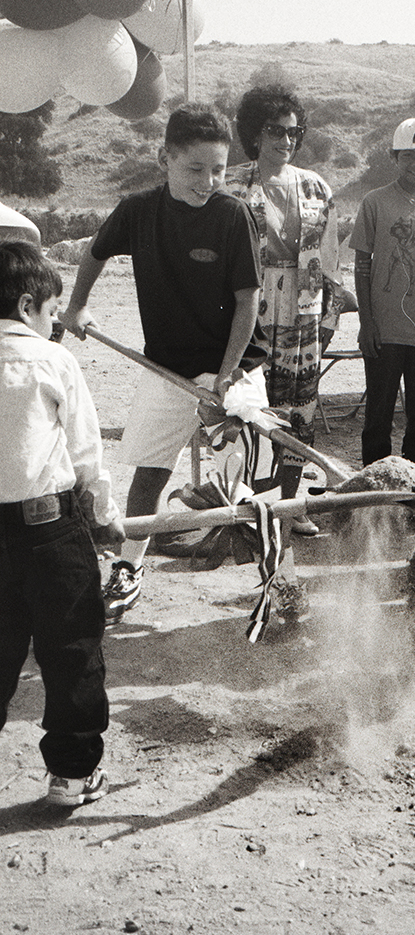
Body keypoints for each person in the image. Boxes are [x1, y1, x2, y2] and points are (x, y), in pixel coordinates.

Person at [61, 105, 262, 623]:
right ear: (164, 159)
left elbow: (248, 302)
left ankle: (274, 577)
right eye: (195, 169)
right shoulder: (138, 210)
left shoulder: (232, 215)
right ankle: (129, 569)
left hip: (234, 369)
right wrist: (78, 306)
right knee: (148, 474)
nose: (208, 181)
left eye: (218, 170)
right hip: (165, 368)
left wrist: (227, 376)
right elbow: (96, 251)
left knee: (244, 479)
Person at [0, 242, 124, 804]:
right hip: (48, 531)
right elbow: (85, 455)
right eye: (53, 312)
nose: (56, 324)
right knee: (71, 646)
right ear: (28, 306)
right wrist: (104, 517)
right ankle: (73, 773)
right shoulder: (51, 360)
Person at [226, 88, 342, 536]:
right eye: (276, 130)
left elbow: (330, 262)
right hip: (248, 305)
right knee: (247, 405)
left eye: (295, 132)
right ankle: (247, 508)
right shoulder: (232, 186)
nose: (286, 140)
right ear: (254, 133)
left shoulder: (316, 187)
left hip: (303, 308)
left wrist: (328, 319)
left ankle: (291, 507)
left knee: (299, 407)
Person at [350, 117, 415, 465]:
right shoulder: (374, 202)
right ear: (393, 157)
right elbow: (362, 265)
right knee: (378, 415)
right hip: (384, 328)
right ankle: (374, 485)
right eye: (407, 156)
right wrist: (366, 323)